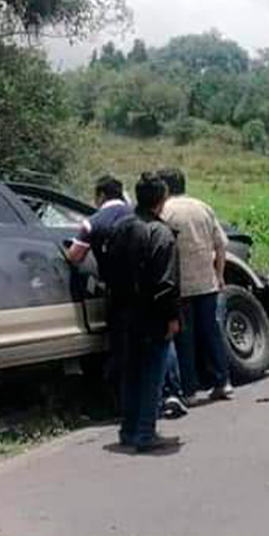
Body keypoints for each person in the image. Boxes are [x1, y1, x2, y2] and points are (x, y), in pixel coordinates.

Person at [108, 172, 181, 452]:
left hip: (123, 312)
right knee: (152, 374)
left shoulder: (121, 227)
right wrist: (172, 317)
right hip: (151, 315)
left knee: (131, 373)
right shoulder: (160, 233)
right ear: (162, 200)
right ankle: (145, 432)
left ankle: (128, 430)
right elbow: (166, 283)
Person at [158, 168, 234, 405]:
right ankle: (223, 382)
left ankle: (189, 390)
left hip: (180, 286)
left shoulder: (165, 211)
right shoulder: (203, 207)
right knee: (212, 332)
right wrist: (219, 275)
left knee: (184, 338)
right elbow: (220, 245)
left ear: (165, 188)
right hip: (206, 282)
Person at [64, 175, 134, 410]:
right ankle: (167, 395)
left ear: (101, 195)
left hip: (119, 293)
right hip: (149, 291)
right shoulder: (138, 214)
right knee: (156, 345)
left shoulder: (93, 222)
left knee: (124, 350)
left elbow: (75, 256)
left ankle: (127, 405)